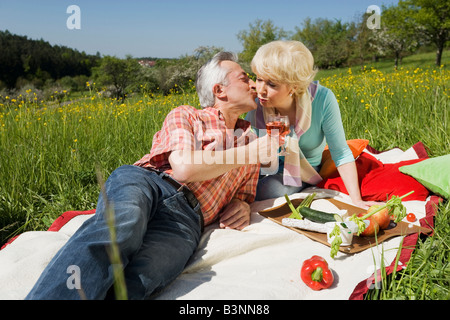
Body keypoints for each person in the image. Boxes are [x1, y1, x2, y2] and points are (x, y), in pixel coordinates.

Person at [25, 52, 278, 300]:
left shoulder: (252, 140)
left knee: (146, 274)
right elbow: (184, 167)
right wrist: (248, 154)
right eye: (245, 78)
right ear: (219, 90)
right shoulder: (188, 114)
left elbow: (245, 195)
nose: (255, 85)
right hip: (150, 182)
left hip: (187, 221)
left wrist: (243, 205)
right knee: (123, 224)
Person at [245, 40, 377, 209]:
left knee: (270, 190)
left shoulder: (322, 99)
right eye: (259, 79)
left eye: (271, 84)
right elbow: (247, 154)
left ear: (294, 86)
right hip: (267, 169)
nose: (261, 90)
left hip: (304, 172)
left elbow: (341, 152)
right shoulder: (258, 105)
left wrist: (357, 201)